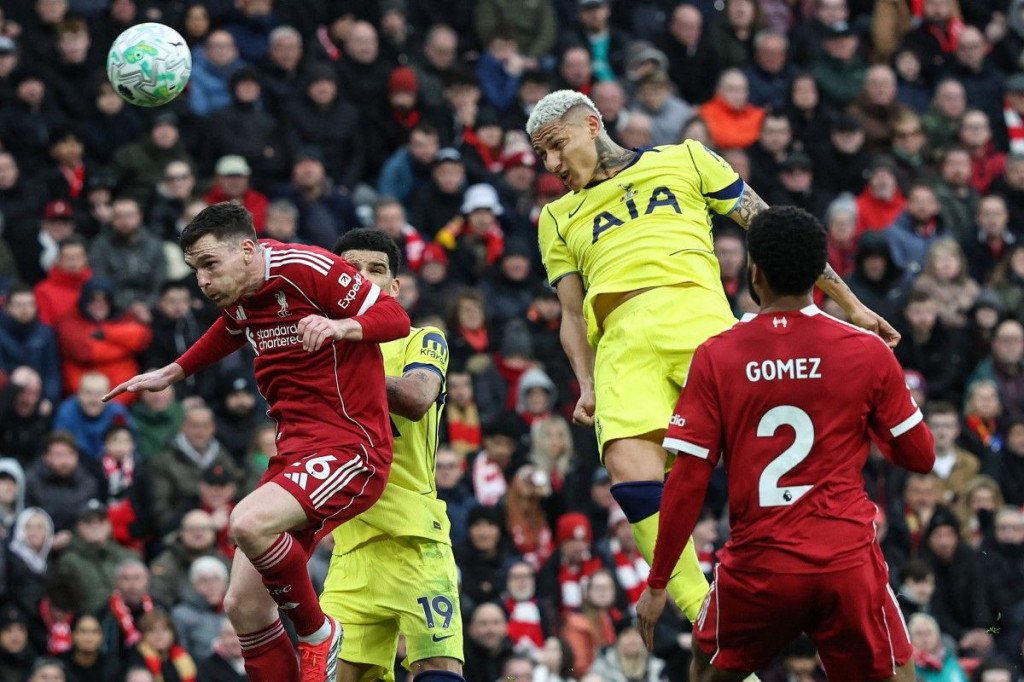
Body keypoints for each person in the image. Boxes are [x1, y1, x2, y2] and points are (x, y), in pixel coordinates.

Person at [527, 90, 896, 627]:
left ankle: (836, 565)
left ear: (591, 124)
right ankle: (707, 619)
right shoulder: (557, 218)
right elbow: (569, 313)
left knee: (774, 446)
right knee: (629, 474)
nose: (552, 163)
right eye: (542, 155)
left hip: (700, 324)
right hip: (622, 346)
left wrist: (851, 304)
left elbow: (773, 229)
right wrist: (585, 382)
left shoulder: (686, 159)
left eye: (556, 145)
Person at [102, 203, 411, 682]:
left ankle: (318, 633)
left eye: (209, 264)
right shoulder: (241, 291)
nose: (202, 280)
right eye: (195, 269)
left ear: (247, 250)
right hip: (294, 452)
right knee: (243, 606)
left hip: (351, 447)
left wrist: (340, 326)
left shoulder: (307, 268)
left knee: (247, 522)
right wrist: (174, 371)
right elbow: (233, 326)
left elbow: (395, 317)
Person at [635, 206, 935, 681]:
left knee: (706, 667)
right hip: (844, 561)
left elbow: (688, 481)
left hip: (759, 568)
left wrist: (657, 584)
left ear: (755, 272)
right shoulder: (866, 350)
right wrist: (869, 422)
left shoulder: (717, 355)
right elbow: (920, 456)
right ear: (819, 276)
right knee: (895, 670)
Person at [321, 228, 464, 681]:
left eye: (376, 269)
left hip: (414, 542)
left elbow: (418, 397)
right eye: (351, 268)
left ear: (394, 287)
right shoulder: (314, 350)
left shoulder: (423, 339)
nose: (363, 276)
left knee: (438, 670)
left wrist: (334, 376)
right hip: (350, 552)